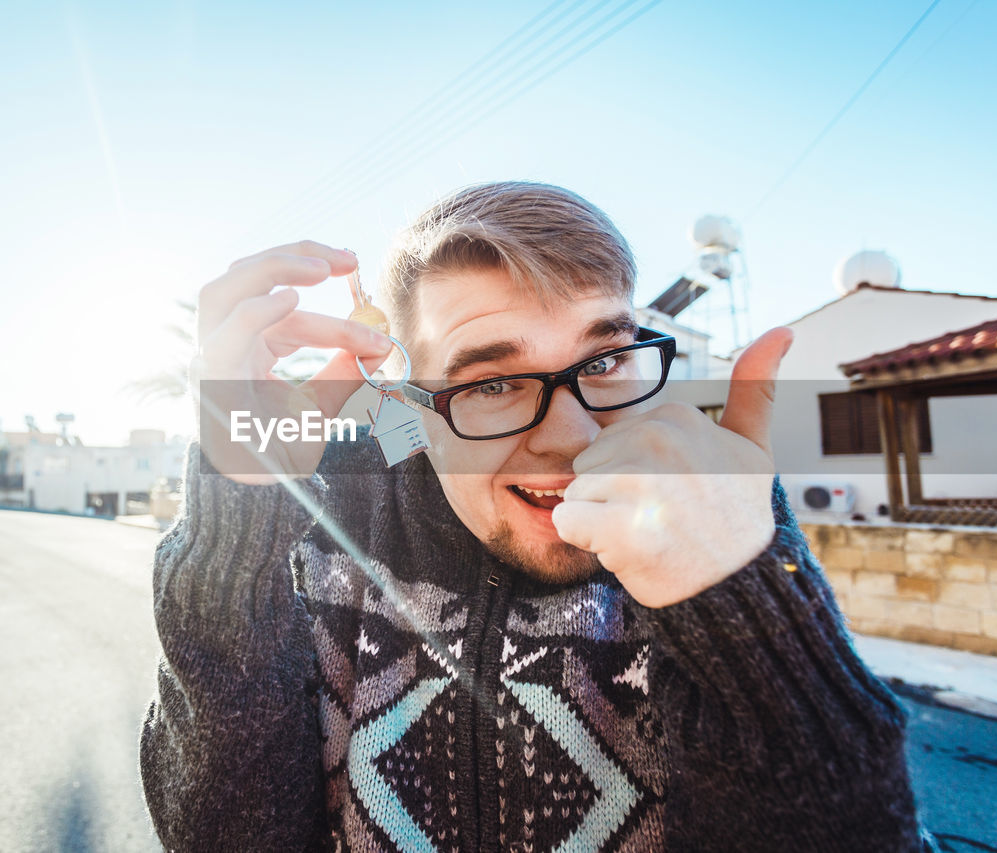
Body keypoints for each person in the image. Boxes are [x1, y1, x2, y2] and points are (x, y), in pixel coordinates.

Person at [140, 182, 933, 851]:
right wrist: (234, 516)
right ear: (408, 398)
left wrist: (737, 597)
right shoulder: (324, 522)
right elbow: (219, 830)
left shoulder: (709, 515)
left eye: (606, 360)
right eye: (492, 383)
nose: (573, 437)